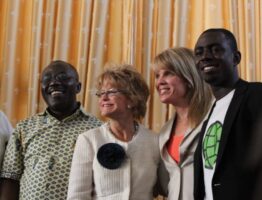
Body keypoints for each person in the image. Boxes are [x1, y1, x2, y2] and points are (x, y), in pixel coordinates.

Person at [0, 60, 102, 200]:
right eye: (47, 79)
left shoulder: (98, 130)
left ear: (78, 87)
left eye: (63, 77)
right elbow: (10, 178)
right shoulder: (24, 128)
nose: (53, 82)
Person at [193, 28, 262, 200]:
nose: (205, 56)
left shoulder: (259, 95)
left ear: (236, 58)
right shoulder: (210, 113)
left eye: (215, 49)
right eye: (199, 53)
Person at [67, 64, 160, 200]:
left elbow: (165, 187)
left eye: (111, 92)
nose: (103, 98)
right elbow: (77, 196)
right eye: (101, 93)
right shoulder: (89, 140)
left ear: (132, 99)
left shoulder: (154, 141)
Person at [152, 47, 212, 200]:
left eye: (168, 73)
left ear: (189, 76)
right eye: (157, 76)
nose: (159, 82)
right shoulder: (165, 131)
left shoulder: (215, 117)